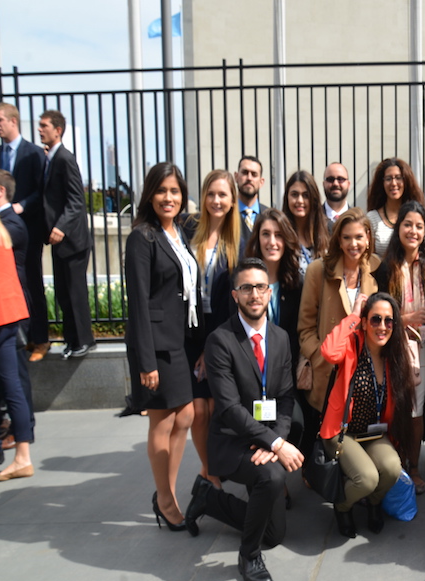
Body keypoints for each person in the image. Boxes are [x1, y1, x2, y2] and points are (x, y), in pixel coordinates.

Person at [184, 258, 303, 581]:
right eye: (246, 288)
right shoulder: (220, 340)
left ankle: (209, 499)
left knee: (274, 535)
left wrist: (275, 439)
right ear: (235, 294)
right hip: (231, 439)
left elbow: (286, 398)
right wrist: (276, 445)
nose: (255, 294)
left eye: (261, 287)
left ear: (269, 292)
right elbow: (229, 408)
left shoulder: (280, 338)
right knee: (273, 475)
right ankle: (248, 556)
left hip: (264, 435)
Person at [125, 162, 202, 532]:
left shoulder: (178, 232)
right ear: (149, 195)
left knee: (185, 416)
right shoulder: (142, 237)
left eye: (174, 191)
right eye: (161, 191)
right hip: (156, 345)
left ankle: (164, 494)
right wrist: (146, 361)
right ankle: (166, 500)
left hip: (179, 341)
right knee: (163, 418)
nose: (168, 198)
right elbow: (138, 303)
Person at [320, 292, 414, 538]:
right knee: (367, 478)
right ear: (364, 322)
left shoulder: (393, 355)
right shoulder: (353, 345)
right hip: (343, 432)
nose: (382, 326)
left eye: (388, 320)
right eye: (375, 319)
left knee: (392, 469)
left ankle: (373, 503)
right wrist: (353, 314)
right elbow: (329, 352)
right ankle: (343, 507)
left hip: (373, 432)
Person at [179, 169, 243, 484]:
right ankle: (209, 470)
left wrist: (211, 347)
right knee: (197, 410)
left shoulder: (239, 239)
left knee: (216, 407)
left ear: (232, 201)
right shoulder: (186, 229)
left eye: (223, 195)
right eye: (211, 194)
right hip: (188, 332)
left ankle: (214, 468)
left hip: (219, 332)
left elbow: (233, 300)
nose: (216, 200)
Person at [298, 208, 379, 439]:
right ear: (339, 241)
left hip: (360, 373)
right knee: (322, 440)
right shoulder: (318, 270)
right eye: (347, 237)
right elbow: (305, 327)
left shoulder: (376, 272)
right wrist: (320, 357)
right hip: (327, 369)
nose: (353, 244)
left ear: (368, 238)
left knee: (351, 438)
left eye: (359, 237)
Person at [373, 200, 425, 494]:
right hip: (392, 347)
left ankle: (414, 466)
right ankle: (394, 465)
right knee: (395, 407)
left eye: (419, 226)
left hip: (422, 347)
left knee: (416, 410)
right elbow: (378, 310)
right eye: (407, 224)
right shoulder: (386, 267)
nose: (413, 231)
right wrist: (406, 318)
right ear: (399, 228)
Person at [243, 209, 306, 451]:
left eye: (279, 235)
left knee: (295, 423)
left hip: (285, 376)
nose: (272, 241)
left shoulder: (296, 283)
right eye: (266, 234)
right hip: (251, 375)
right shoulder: (242, 280)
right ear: (257, 238)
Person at [38, 110, 95, 359]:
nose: (40, 130)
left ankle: (85, 341)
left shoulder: (64, 158)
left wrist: (61, 226)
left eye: (44, 126)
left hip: (73, 241)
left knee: (75, 292)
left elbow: (76, 200)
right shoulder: (51, 158)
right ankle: (72, 341)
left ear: (58, 130)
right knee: (63, 293)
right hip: (60, 242)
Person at [0, 103, 48, 361]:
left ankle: (40, 339)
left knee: (32, 283)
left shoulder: (34, 153)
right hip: (1, 230)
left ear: (13, 121)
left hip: (28, 229)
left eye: (0, 120)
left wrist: (21, 205)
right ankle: (20, 338)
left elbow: (42, 190)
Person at [0, 175, 35, 481]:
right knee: (13, 388)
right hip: (8, 315)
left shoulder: (8, 225)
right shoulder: (2, 229)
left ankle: (19, 456)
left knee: (13, 386)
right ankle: (21, 456)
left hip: (2, 317)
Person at [366, 158, 423, 257]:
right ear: (382, 183)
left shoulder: (416, 215)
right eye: (388, 179)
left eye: (398, 178)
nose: (393, 183)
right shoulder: (372, 218)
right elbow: (369, 259)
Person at [283, 170, 328, 275]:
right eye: (294, 194)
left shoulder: (328, 229)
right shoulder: (280, 232)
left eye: (306, 195)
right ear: (287, 197)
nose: (300, 200)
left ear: (314, 199)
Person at [236, 155, 268, 237]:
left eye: (254, 174)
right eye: (245, 173)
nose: (249, 178)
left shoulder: (269, 215)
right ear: (236, 177)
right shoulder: (226, 213)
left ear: (261, 182)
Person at [322, 162, 352, 232]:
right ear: (324, 184)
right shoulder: (313, 218)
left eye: (340, 179)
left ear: (348, 184)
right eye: (330, 179)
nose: (335, 183)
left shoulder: (358, 219)